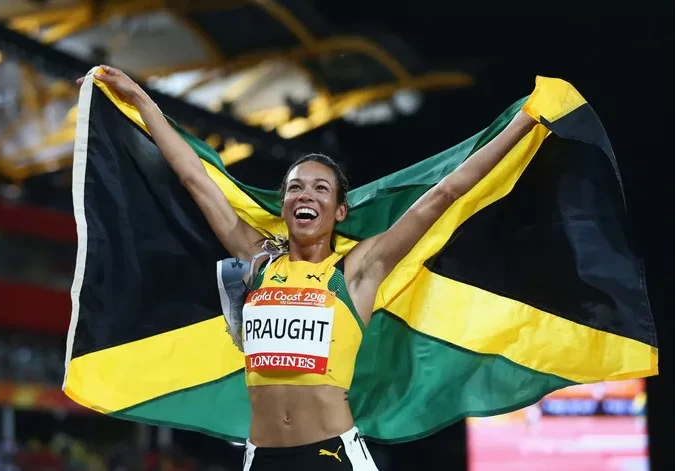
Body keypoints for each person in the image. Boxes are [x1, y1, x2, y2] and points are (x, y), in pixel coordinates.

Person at [78, 65, 539, 471]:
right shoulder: (257, 258)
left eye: (321, 189)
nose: (306, 195)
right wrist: (140, 100)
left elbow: (443, 194)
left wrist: (524, 123)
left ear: (339, 211)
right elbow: (193, 178)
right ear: (283, 204)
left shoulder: (358, 270)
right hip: (262, 457)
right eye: (296, 187)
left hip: (331, 457)